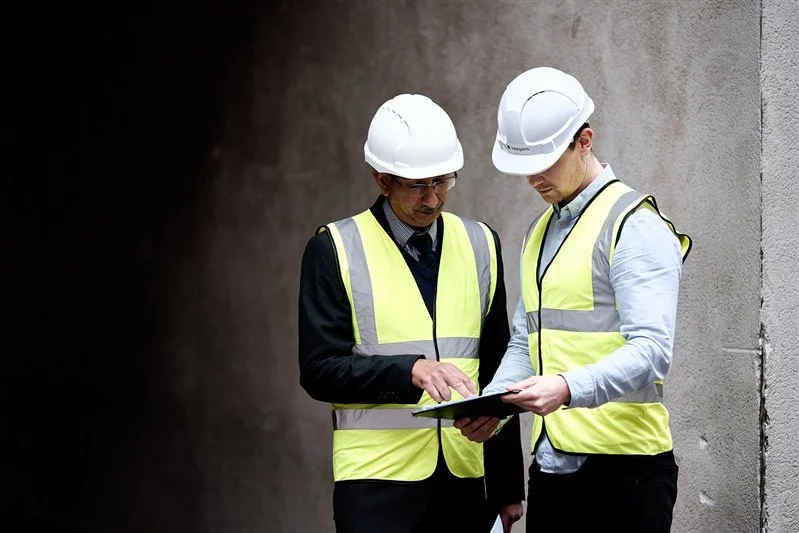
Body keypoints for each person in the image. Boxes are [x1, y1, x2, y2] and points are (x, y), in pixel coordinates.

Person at [456, 67, 692, 533]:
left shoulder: (633, 225)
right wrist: (495, 405)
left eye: (545, 162)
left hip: (627, 475)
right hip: (552, 469)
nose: (534, 179)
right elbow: (526, 341)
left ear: (584, 140)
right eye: (526, 167)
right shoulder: (539, 232)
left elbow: (651, 352)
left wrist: (565, 387)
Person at [299, 94, 525, 533]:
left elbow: (500, 362)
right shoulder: (334, 249)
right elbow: (319, 370)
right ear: (381, 179)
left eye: (443, 181)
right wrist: (411, 371)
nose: (433, 198)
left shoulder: (481, 242)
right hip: (376, 487)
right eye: (417, 185)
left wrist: (506, 485)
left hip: (466, 480)